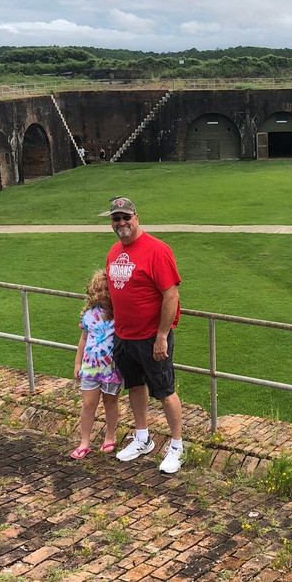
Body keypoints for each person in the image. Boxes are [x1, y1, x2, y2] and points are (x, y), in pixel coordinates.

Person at [105, 196, 186, 474]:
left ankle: (176, 445)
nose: (121, 223)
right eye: (116, 218)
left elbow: (171, 294)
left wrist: (162, 335)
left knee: (164, 390)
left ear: (136, 218)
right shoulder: (114, 251)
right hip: (123, 335)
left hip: (151, 337)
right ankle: (143, 438)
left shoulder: (157, 250)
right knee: (135, 386)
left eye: (126, 217)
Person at [71, 270, 123, 459]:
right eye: (98, 290)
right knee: (87, 404)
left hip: (112, 368)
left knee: (110, 403)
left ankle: (110, 435)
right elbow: (83, 339)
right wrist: (78, 363)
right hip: (91, 368)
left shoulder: (120, 315)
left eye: (106, 289)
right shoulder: (89, 315)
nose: (102, 294)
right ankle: (84, 441)